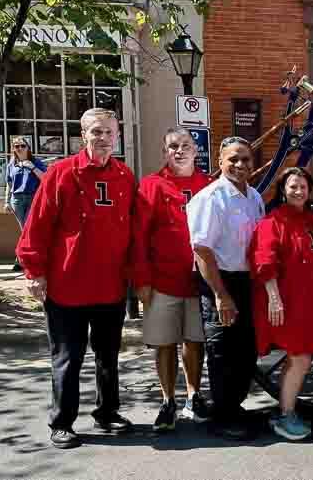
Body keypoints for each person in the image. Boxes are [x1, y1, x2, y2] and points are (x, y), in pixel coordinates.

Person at [16, 108, 135, 449]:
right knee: (68, 357)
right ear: (83, 135)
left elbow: (132, 231)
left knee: (108, 355)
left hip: (110, 287)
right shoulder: (60, 173)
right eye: (96, 132)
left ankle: (107, 412)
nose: (103, 138)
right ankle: (62, 422)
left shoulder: (125, 176)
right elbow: (37, 226)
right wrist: (34, 272)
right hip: (67, 286)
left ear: (118, 136)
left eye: (109, 132)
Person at [132, 128, 213, 432]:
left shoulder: (209, 185)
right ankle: (168, 401)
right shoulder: (151, 185)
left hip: (199, 282)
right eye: (172, 147)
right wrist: (141, 279)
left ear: (196, 151)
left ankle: (194, 395)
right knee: (165, 343)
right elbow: (138, 237)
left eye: (186, 146)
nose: (179, 151)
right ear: (165, 152)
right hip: (162, 281)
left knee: (195, 340)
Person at [186, 136, 265, 440]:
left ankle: (235, 406)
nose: (240, 165)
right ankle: (223, 415)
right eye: (233, 159)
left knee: (245, 351)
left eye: (246, 159)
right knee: (222, 352)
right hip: (220, 281)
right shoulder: (210, 198)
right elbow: (202, 251)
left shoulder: (253, 196)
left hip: (247, 281)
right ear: (220, 162)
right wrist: (221, 295)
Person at [249, 167, 313, 441]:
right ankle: (285, 414)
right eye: (293, 186)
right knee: (301, 357)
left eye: (303, 186)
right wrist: (274, 297)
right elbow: (264, 261)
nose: (298, 191)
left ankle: (285, 408)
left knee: (298, 358)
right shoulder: (273, 222)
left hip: (309, 303)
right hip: (287, 302)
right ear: (283, 190)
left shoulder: (312, 222)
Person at [4, 137, 47, 271]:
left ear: (28, 148)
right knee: (25, 230)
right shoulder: (11, 165)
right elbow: (9, 184)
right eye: (16, 146)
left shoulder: (36, 162)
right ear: (14, 150)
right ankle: (25, 259)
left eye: (22, 146)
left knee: (28, 229)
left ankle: (22, 260)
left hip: (32, 198)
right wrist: (6, 201)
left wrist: (31, 166)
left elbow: (46, 178)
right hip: (17, 200)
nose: (20, 149)